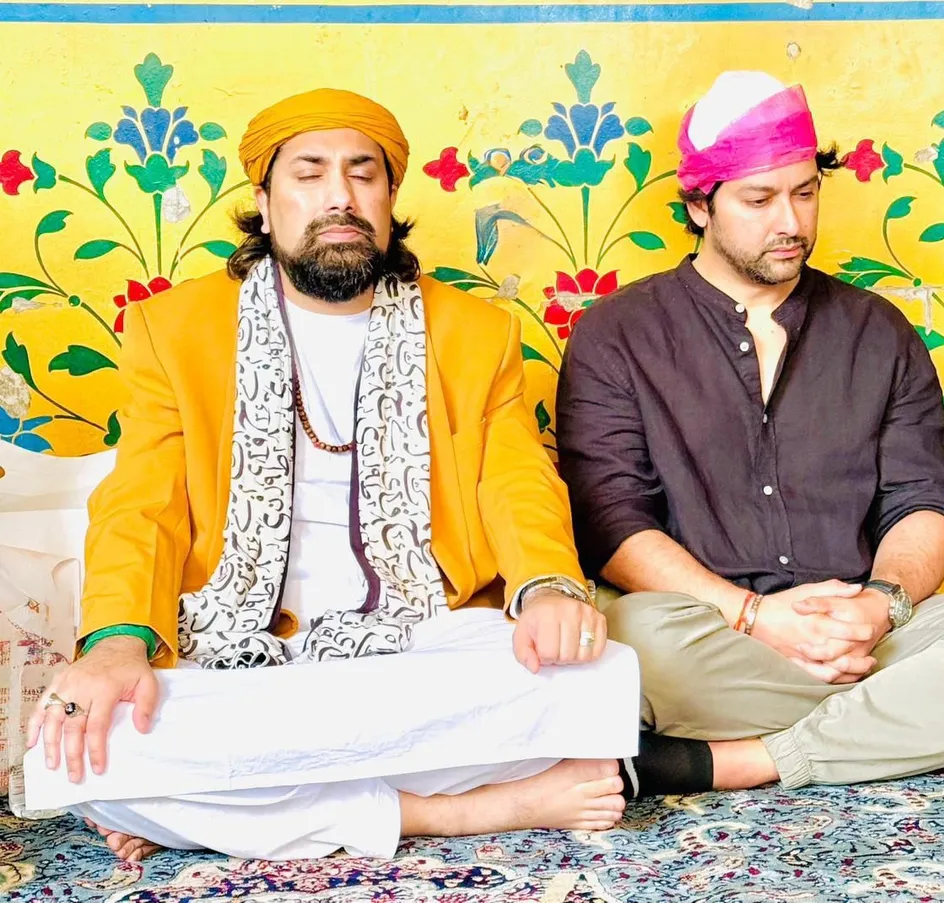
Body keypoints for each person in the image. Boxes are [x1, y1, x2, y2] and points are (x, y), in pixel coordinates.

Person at [22, 88, 639, 861]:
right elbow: (141, 500)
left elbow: (513, 478)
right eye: (309, 174)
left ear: (389, 196)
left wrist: (547, 584)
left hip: (423, 641)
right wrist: (115, 640)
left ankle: (212, 808)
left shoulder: (475, 332)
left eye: (362, 174)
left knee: (595, 680)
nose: (339, 197)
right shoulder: (176, 328)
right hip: (236, 650)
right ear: (265, 198)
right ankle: (463, 810)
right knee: (80, 746)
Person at [556, 70, 944, 799]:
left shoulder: (877, 331)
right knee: (634, 645)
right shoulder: (618, 335)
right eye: (760, 199)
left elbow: (921, 502)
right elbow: (611, 522)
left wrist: (878, 607)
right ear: (698, 205)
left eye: (805, 192)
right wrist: (755, 615)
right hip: (708, 626)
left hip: (867, 631)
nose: (792, 223)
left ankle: (731, 760)